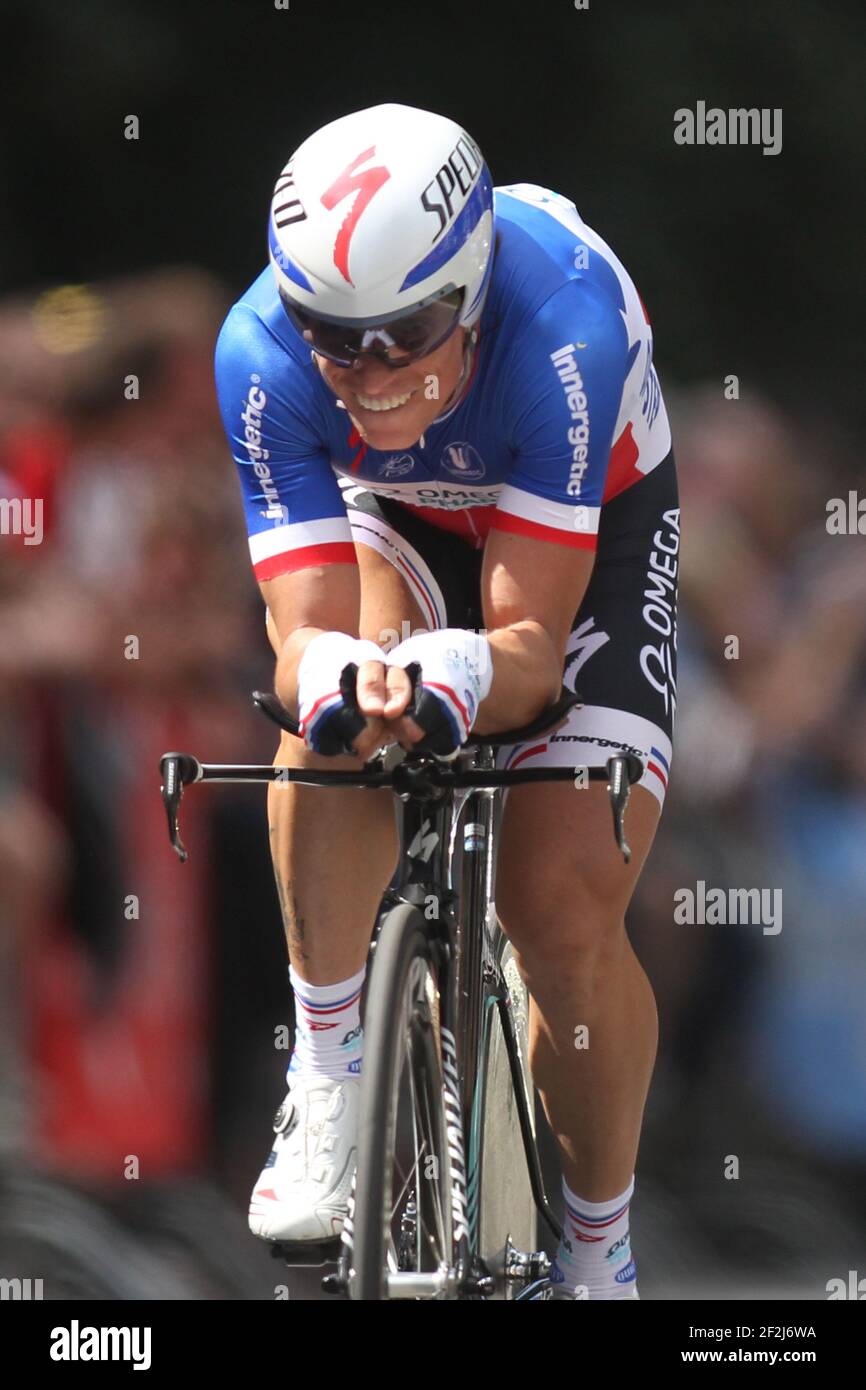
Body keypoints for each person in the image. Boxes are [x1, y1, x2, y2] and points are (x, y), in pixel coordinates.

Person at [214, 102, 678, 1300]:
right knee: (333, 714)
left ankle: (595, 1247)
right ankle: (325, 1074)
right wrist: (334, 676)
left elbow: (526, 642)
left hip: (581, 524)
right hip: (405, 521)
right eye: (333, 334)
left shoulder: (562, 325)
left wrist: (463, 669)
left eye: (405, 333)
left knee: (556, 904)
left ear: (469, 293)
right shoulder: (259, 353)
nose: (366, 373)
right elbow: (295, 637)